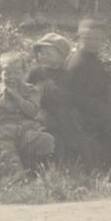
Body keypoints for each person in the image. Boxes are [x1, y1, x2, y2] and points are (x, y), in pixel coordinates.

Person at [0, 51, 55, 178]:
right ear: (0, 73)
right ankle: (18, 178)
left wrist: (17, 97)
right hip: (4, 135)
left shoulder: (31, 91)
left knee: (46, 140)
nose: (11, 77)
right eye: (7, 72)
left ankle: (38, 172)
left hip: (27, 132)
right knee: (9, 155)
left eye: (16, 72)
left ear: (24, 73)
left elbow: (33, 111)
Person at [25, 33, 91, 165]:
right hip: (40, 115)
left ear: (61, 57)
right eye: (40, 53)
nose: (42, 56)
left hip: (64, 117)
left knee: (76, 139)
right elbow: (24, 91)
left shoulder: (67, 76)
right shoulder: (36, 73)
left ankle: (80, 165)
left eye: (48, 53)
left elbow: (76, 97)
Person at [64, 17, 111, 167]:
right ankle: (106, 169)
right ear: (78, 39)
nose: (93, 42)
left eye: (97, 39)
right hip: (84, 113)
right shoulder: (77, 63)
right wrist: (101, 109)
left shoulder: (93, 60)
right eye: (87, 38)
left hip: (97, 108)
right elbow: (71, 95)